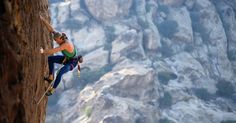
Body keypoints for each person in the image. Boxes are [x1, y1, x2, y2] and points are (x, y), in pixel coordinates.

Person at [39, 15, 83, 96]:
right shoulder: (60, 36)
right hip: (67, 58)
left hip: (72, 62)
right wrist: (43, 20)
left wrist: (43, 52)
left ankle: (52, 90)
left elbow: (53, 50)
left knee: (60, 72)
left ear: (60, 39)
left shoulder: (66, 44)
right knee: (51, 59)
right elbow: (51, 29)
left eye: (56, 41)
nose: (56, 42)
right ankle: (50, 77)